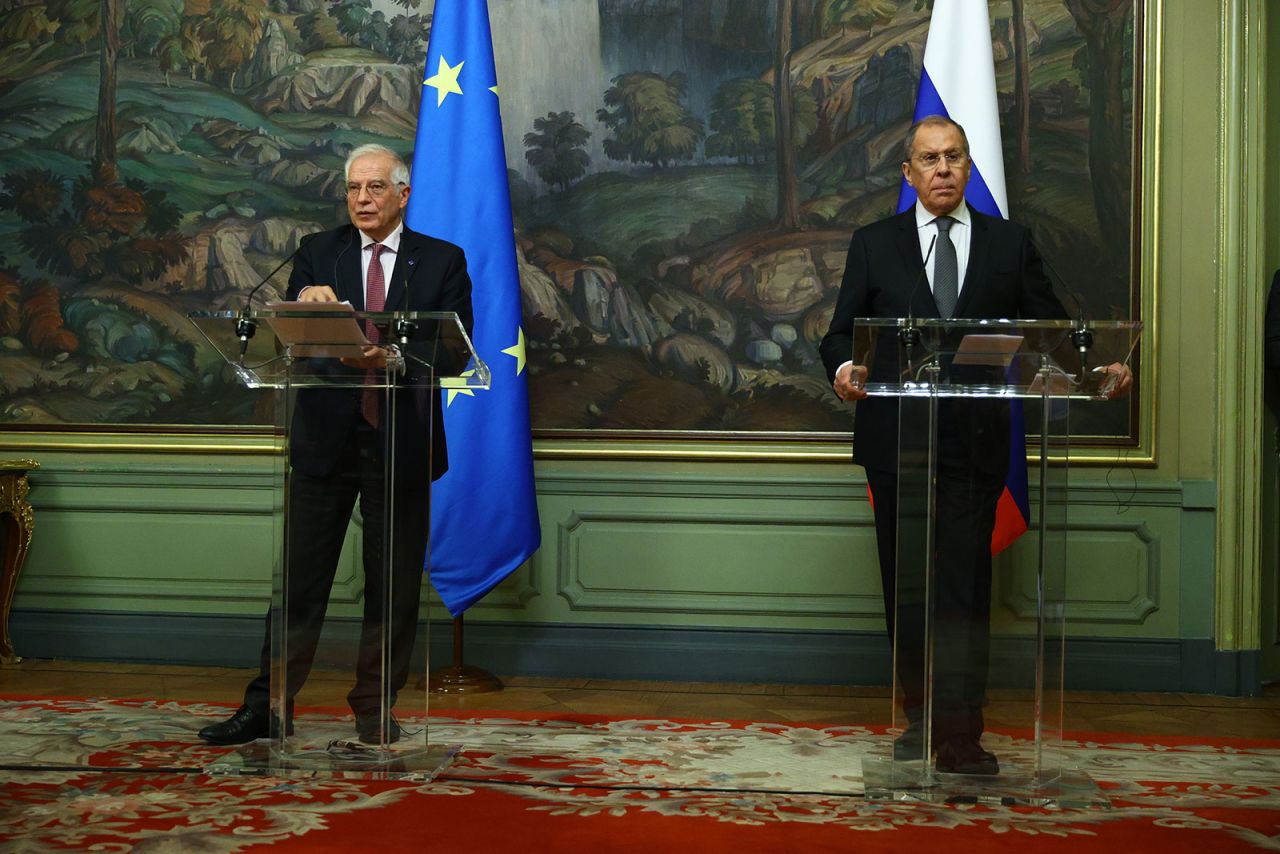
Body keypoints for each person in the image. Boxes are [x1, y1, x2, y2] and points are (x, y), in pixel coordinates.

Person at [819, 116, 1131, 775]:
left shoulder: (1008, 244)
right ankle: (920, 717)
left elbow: (1052, 332)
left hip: (976, 446)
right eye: (928, 159)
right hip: (896, 444)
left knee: (963, 587)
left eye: (953, 157)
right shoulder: (875, 244)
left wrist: (1098, 366)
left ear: (967, 167)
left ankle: (961, 734)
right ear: (907, 173)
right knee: (907, 589)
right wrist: (846, 369)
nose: (941, 169)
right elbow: (840, 333)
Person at [199, 143, 473, 746]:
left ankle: (375, 710)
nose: (362, 200)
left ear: (403, 194)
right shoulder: (320, 252)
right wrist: (306, 307)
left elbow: (455, 346)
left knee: (393, 585)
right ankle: (268, 704)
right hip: (324, 438)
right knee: (298, 581)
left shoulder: (441, 261)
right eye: (353, 188)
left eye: (375, 188)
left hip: (398, 438)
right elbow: (291, 341)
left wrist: (395, 355)